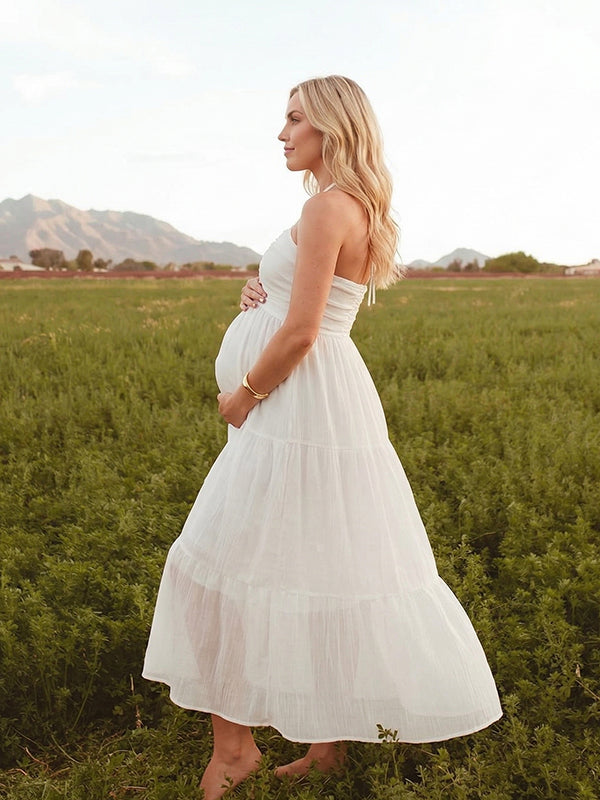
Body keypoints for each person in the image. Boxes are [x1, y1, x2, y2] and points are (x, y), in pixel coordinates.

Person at [142, 75, 502, 800]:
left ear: (332, 129)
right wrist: (258, 293)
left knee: (220, 557)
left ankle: (235, 750)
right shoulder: (339, 205)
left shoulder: (329, 208)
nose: (281, 133)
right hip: (318, 403)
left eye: (294, 119)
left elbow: (305, 330)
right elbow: (301, 304)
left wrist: (243, 394)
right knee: (325, 556)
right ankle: (326, 745)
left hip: (294, 407)